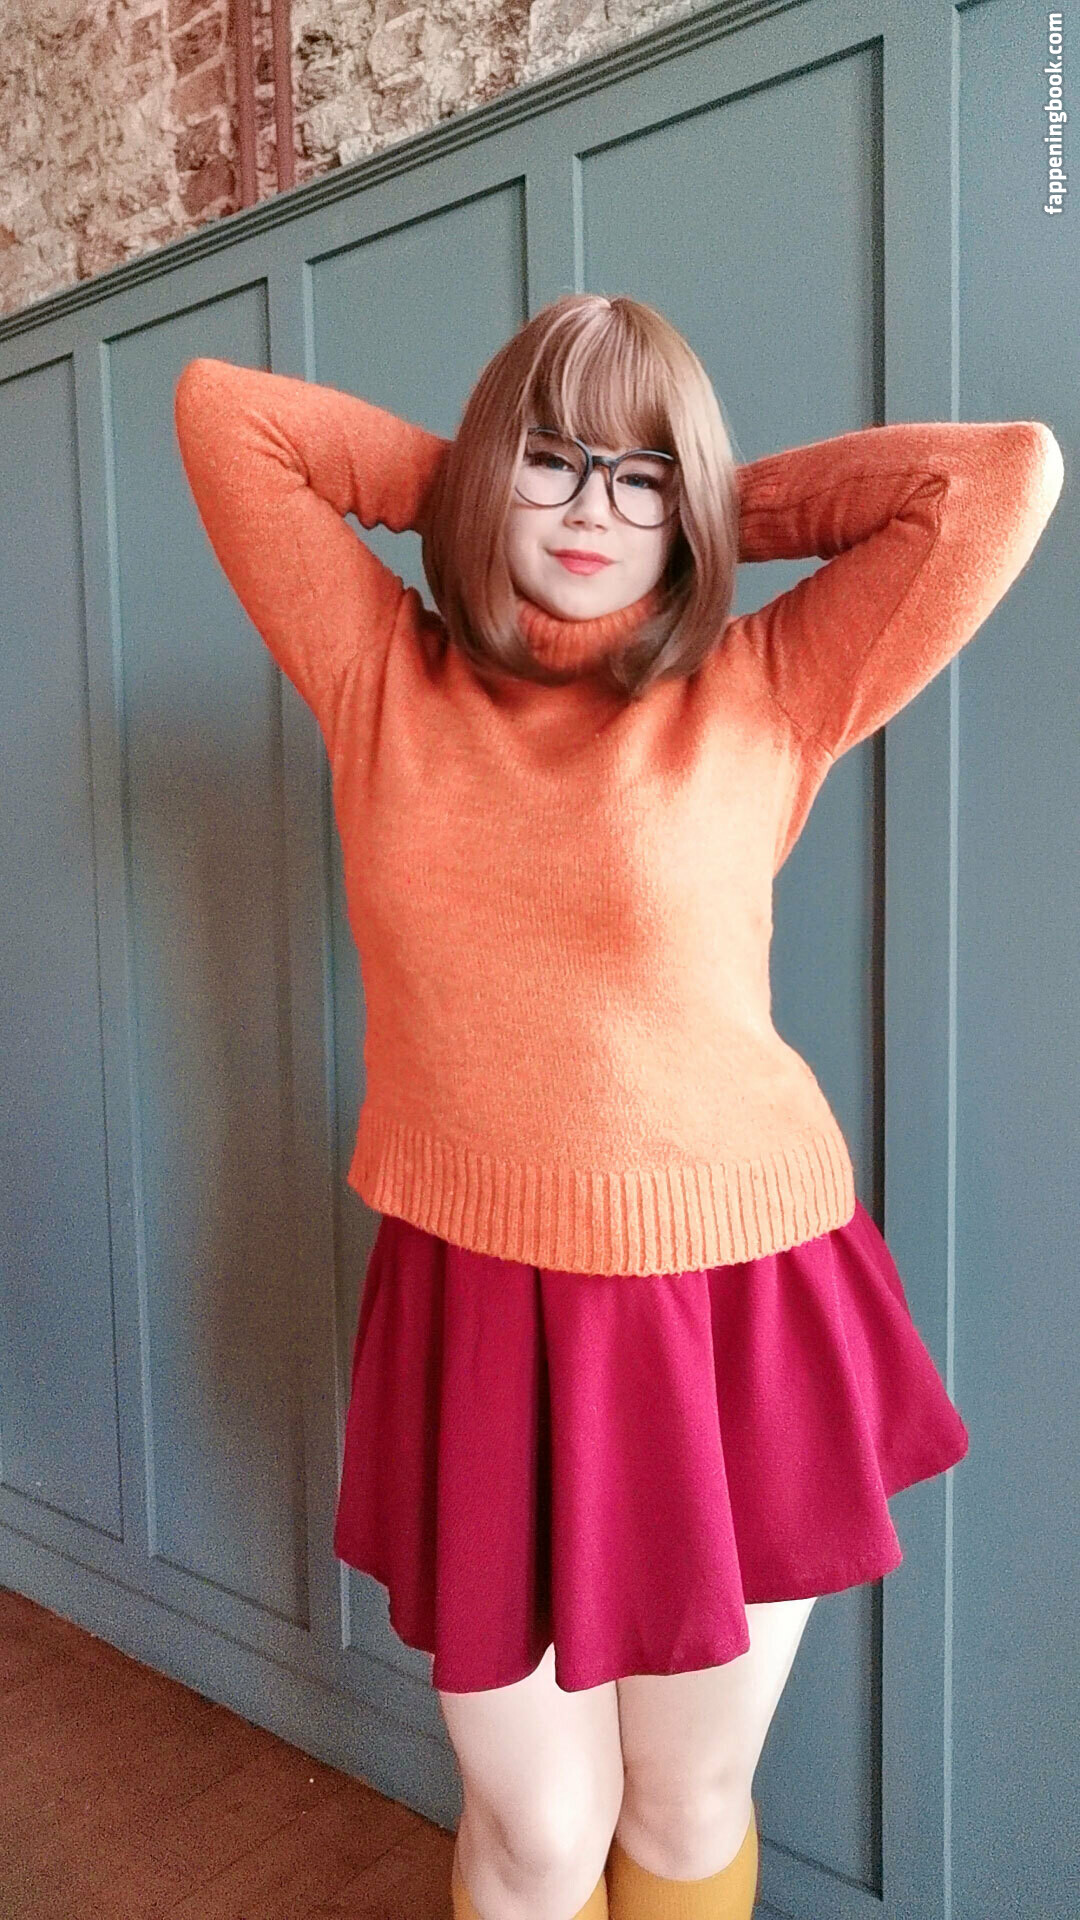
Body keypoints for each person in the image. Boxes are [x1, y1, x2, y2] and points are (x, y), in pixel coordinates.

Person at [173, 295, 1064, 1920]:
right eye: (554, 460)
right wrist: (481, 485)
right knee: (535, 1833)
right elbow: (226, 416)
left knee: (686, 1796)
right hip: (482, 1300)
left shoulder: (764, 684)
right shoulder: (383, 672)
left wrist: (709, 506)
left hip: (736, 1297)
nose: (594, 507)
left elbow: (1003, 476)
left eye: (643, 475)